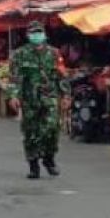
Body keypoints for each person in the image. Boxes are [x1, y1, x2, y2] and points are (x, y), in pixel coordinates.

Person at [7, 22, 70, 179]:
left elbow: (62, 76)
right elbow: (14, 78)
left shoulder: (55, 53)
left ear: (44, 34)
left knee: (52, 128)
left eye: (39, 32)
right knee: (30, 132)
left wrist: (66, 95)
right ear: (28, 35)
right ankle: (33, 164)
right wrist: (13, 95)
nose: (36, 35)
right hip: (30, 100)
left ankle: (49, 158)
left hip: (50, 98)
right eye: (33, 32)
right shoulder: (20, 54)